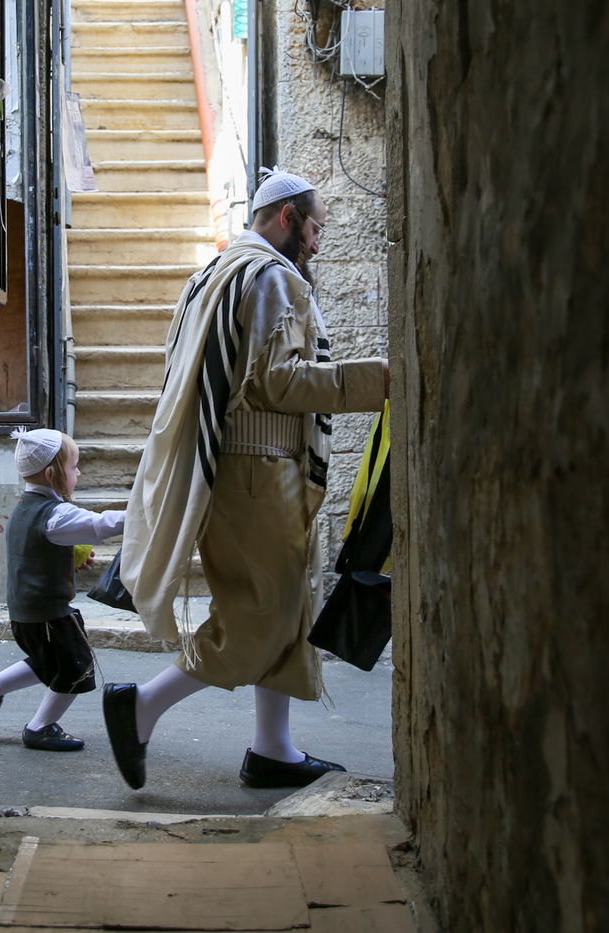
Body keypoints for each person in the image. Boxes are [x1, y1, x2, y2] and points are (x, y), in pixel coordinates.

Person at [106, 168, 390, 789]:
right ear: (288, 217)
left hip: (246, 472)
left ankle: (272, 750)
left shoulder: (216, 272)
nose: (318, 242)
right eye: (315, 228)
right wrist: (380, 380)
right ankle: (143, 707)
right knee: (260, 616)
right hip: (258, 472)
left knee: (283, 612)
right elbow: (277, 382)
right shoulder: (272, 276)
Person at [0, 428, 125, 751]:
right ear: (52, 474)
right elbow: (99, 525)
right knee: (75, 667)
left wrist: (67, 561)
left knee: (46, 661)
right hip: (49, 614)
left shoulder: (24, 506)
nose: (78, 473)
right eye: (73, 467)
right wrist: (143, 514)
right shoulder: (55, 514)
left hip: (26, 612)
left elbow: (36, 555)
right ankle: (40, 727)